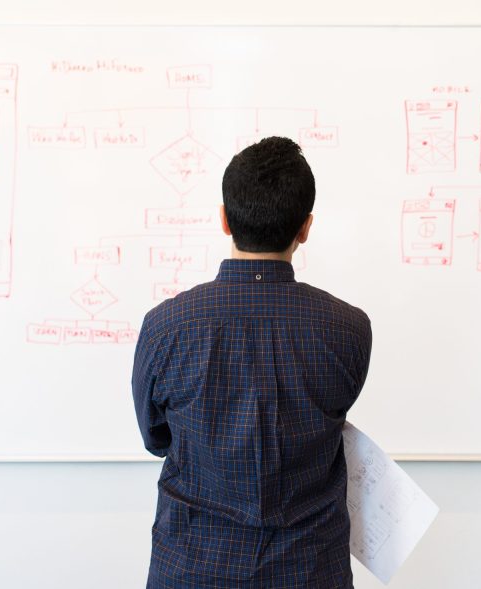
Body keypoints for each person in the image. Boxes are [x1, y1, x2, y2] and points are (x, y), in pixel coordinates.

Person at [131, 136, 372, 588]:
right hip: (309, 570)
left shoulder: (166, 327)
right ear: (305, 227)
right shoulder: (349, 329)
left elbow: (156, 437)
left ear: (224, 219)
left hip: (192, 567)